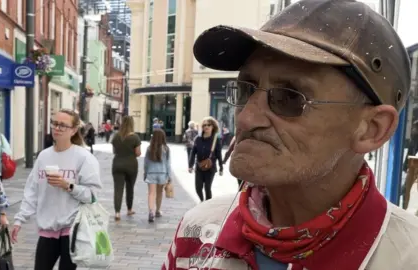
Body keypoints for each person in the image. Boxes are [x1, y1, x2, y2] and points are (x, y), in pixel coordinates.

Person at [163, 1, 418, 269]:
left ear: (372, 128)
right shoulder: (196, 232)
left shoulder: (407, 257)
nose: (246, 118)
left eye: (289, 98)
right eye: (246, 89)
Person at [12, 108, 102, 270]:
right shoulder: (43, 156)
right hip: (48, 228)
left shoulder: (84, 157)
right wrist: (20, 219)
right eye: (54, 124)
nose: (57, 128)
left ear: (74, 130)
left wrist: (68, 185)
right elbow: (32, 191)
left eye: (62, 125)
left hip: (73, 228)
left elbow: (92, 195)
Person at [111, 115, 141, 221]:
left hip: (117, 164)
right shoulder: (135, 137)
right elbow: (138, 153)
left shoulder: (116, 136)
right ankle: (129, 209)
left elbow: (114, 151)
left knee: (118, 189)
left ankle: (117, 212)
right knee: (130, 187)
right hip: (131, 164)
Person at [188, 116, 223, 202]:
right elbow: (193, 153)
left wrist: (221, 167)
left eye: (209, 125)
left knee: (207, 188)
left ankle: (207, 204)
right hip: (199, 166)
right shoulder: (198, 139)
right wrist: (190, 165)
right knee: (198, 188)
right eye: (204, 125)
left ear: (213, 127)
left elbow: (219, 154)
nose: (206, 127)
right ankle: (202, 201)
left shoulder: (216, 139)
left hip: (210, 168)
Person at [144, 129, 171, 222]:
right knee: (159, 193)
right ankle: (158, 211)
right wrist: (169, 176)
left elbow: (146, 163)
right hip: (162, 173)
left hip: (151, 173)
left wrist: (145, 173)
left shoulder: (149, 148)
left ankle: (151, 212)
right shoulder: (166, 149)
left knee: (151, 193)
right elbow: (168, 164)